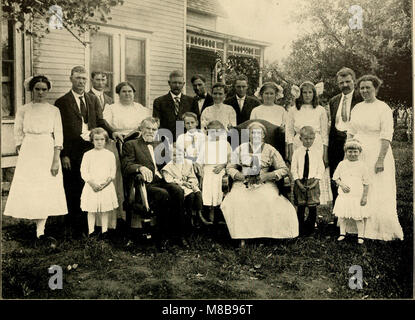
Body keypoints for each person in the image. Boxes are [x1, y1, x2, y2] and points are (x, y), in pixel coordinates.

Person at [4, 75, 67, 240]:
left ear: (48, 91)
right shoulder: (24, 109)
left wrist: (55, 159)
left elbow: (58, 135)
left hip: (47, 148)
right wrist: (22, 149)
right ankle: (30, 225)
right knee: (31, 186)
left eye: (44, 89)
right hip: (29, 149)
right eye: (37, 89)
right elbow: (17, 131)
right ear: (32, 90)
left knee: (45, 185)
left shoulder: (54, 110)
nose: (40, 92)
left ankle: (41, 229)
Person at [55, 66, 113, 238]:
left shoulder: (92, 99)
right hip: (72, 150)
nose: (81, 81)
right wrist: (63, 153)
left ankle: (89, 227)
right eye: (78, 78)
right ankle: (74, 226)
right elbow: (59, 130)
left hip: (90, 149)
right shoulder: (62, 102)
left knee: (88, 185)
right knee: (72, 186)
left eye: (83, 78)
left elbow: (100, 120)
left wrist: (112, 132)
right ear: (71, 79)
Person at [221, 122, 298, 247]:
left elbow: (283, 169)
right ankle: (242, 236)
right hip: (243, 182)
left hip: (265, 182)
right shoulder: (240, 148)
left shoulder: (270, 149)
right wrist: (240, 176)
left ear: (263, 135)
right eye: (252, 133)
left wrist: (267, 176)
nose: (255, 135)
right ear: (248, 135)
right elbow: (230, 167)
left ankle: (268, 235)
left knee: (269, 200)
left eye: (259, 133)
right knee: (237, 200)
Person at [348, 75, 403, 241]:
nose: (364, 91)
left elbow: (386, 135)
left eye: (368, 88)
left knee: (377, 186)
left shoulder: (383, 108)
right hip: (358, 151)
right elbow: (351, 131)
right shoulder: (357, 107)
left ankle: (378, 228)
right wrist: (348, 151)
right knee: (359, 185)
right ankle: (356, 225)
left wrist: (380, 159)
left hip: (377, 151)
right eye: (362, 88)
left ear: (376, 89)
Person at [122, 117, 189, 249]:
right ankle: (161, 237)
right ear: (141, 128)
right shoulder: (131, 145)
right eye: (147, 128)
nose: (150, 131)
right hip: (144, 184)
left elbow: (170, 163)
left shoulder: (160, 145)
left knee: (178, 191)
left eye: (154, 129)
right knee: (163, 194)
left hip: (161, 179)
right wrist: (139, 167)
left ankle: (178, 235)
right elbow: (126, 165)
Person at [286, 81, 332, 205]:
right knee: (300, 169)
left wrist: (325, 153)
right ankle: (300, 202)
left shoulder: (320, 110)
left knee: (314, 170)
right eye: (304, 92)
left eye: (310, 92)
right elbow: (289, 133)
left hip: (315, 143)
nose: (307, 95)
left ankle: (314, 205)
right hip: (298, 143)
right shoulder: (293, 110)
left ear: (314, 94)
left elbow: (324, 134)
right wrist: (290, 152)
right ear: (300, 94)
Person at [328, 67, 362, 202]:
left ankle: (355, 212)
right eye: (341, 83)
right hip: (335, 143)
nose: (345, 85)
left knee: (354, 176)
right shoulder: (334, 101)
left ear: (354, 81)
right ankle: (338, 216)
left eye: (348, 81)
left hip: (355, 143)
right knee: (336, 177)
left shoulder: (361, 98)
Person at [80, 128, 118, 237]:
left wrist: (106, 183)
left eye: (102, 139)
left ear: (106, 140)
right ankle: (91, 232)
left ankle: (104, 231)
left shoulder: (110, 155)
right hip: (92, 186)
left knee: (104, 210)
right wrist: (92, 184)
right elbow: (84, 171)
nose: (99, 142)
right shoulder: (87, 155)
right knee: (91, 210)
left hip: (105, 186)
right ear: (92, 141)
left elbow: (112, 171)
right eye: (96, 139)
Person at [332, 139, 369, 244]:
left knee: (358, 217)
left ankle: (360, 235)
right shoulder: (342, 164)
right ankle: (342, 233)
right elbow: (335, 178)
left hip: (357, 196)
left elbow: (366, 183)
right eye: (350, 151)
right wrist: (342, 185)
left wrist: (364, 197)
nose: (352, 154)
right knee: (342, 216)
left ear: (359, 152)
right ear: (346, 152)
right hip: (344, 196)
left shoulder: (363, 166)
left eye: (355, 152)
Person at [291, 126, 325, 236]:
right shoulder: (297, 152)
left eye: (311, 138)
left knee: (312, 206)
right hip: (300, 182)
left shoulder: (317, 152)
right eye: (306, 139)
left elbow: (321, 168)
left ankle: (310, 228)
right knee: (300, 206)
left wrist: (315, 182)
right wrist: (298, 182)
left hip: (313, 182)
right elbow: (293, 168)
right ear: (300, 139)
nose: (309, 141)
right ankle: (300, 228)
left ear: (314, 139)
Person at [197, 120, 231, 224]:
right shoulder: (205, 145)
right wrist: (200, 171)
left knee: (218, 187)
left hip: (221, 169)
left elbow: (230, 159)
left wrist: (222, 165)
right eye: (212, 132)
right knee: (208, 187)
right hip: (207, 169)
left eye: (217, 131)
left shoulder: (225, 144)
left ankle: (219, 213)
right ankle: (210, 213)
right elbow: (199, 161)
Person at [161, 144, 203, 229]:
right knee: (190, 196)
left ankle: (197, 214)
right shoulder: (168, 167)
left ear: (184, 154)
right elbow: (169, 180)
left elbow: (192, 176)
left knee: (197, 193)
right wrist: (183, 183)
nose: (177, 157)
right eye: (174, 155)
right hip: (178, 186)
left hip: (188, 184)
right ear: (170, 155)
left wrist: (191, 182)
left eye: (179, 155)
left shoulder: (187, 163)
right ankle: (188, 216)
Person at [153, 70, 198, 141]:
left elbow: (196, 123)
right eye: (174, 83)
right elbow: (157, 124)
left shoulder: (192, 101)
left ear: (183, 84)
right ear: (169, 83)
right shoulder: (159, 102)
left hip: (187, 141)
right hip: (166, 141)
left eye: (180, 83)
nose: (177, 85)